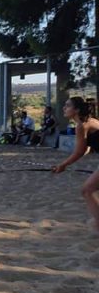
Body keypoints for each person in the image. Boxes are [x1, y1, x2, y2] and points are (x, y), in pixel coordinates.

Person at [52, 97, 99, 232]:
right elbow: (86, 149)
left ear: (77, 110)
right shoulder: (89, 122)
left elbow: (79, 152)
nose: (64, 108)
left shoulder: (82, 125)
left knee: (87, 190)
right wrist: (64, 164)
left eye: (67, 106)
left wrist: (63, 165)